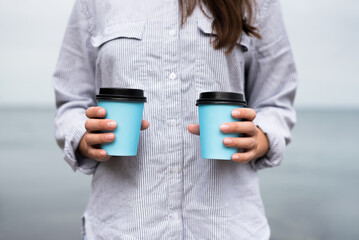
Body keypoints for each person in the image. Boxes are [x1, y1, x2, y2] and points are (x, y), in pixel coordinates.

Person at [53, 0, 297, 239]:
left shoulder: (258, 3)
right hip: (121, 228)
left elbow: (276, 102)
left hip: (227, 227)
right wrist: (87, 137)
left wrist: (258, 138)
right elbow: (71, 101)